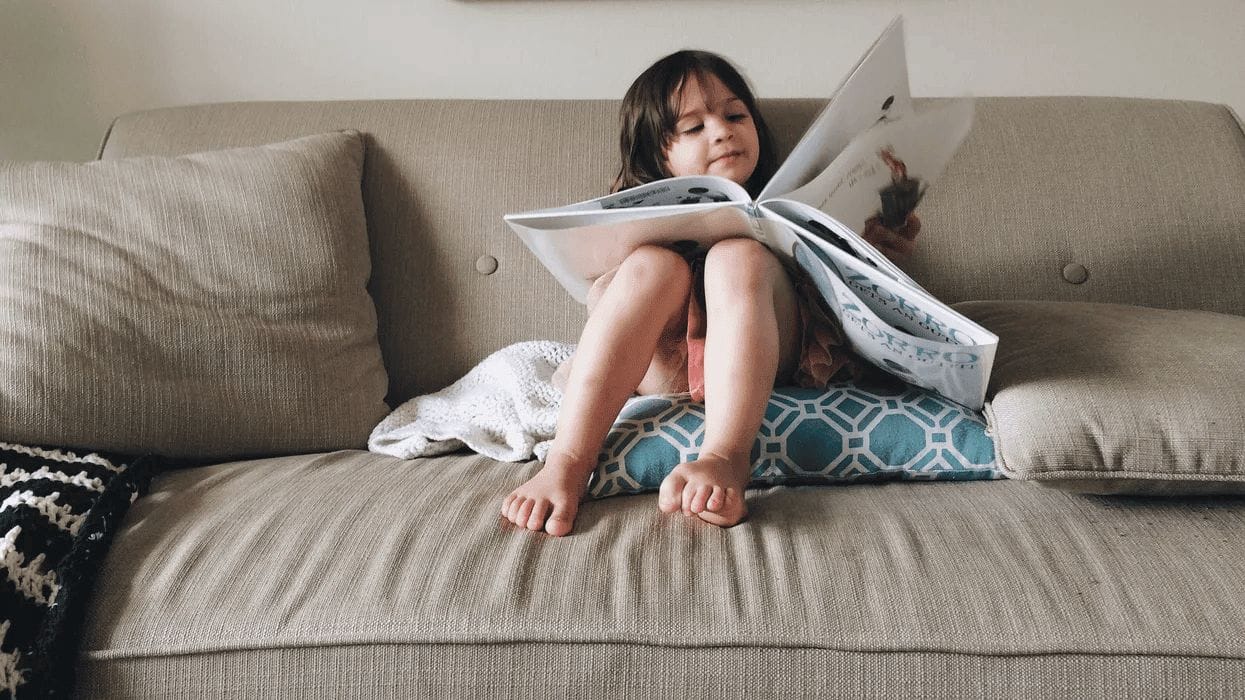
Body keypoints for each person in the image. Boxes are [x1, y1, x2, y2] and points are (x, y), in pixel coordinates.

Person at [501, 50, 915, 537]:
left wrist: (887, 212)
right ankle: (567, 464)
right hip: (663, 360)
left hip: (766, 353)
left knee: (737, 256)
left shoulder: (791, 198)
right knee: (653, 267)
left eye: (735, 115)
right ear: (659, 156)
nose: (721, 130)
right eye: (693, 128)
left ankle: (724, 456)